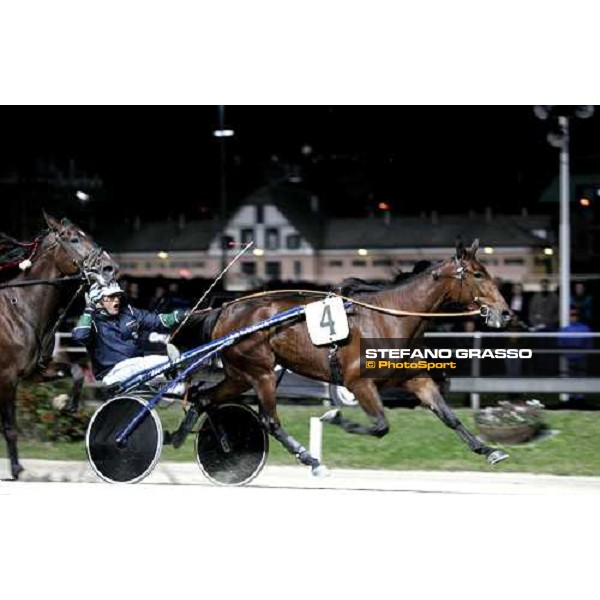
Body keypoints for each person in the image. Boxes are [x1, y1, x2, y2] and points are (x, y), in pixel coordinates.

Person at [71, 281, 189, 390]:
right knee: (161, 362)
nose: (116, 300)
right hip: (112, 374)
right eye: (111, 297)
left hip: (135, 367)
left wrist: (181, 315)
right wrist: (88, 309)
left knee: (162, 364)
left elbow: (157, 321)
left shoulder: (130, 313)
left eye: (117, 296)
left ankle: (170, 387)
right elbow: (80, 336)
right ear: (97, 300)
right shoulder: (91, 321)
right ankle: (169, 384)